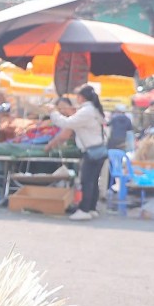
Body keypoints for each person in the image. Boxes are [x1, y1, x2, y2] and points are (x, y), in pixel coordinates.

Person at [44, 85, 107, 221]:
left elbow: (67, 123)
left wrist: (53, 112)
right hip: (99, 149)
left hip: (91, 150)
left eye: (77, 96)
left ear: (81, 97)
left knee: (87, 181)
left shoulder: (86, 111)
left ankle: (84, 209)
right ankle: (91, 208)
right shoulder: (94, 109)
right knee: (93, 181)